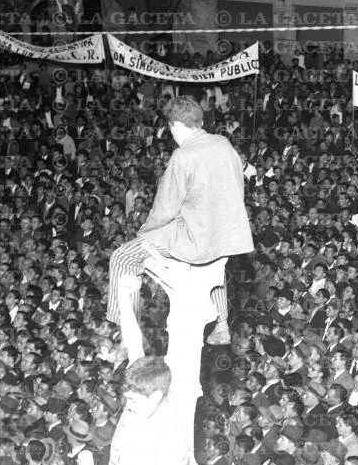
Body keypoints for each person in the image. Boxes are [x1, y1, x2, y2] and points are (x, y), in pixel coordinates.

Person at [106, 95, 254, 352]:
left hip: (194, 238)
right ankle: (221, 324)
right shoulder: (222, 142)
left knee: (121, 258)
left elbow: (165, 206)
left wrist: (145, 231)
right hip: (228, 235)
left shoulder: (182, 155)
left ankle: (124, 332)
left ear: (174, 125)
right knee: (212, 266)